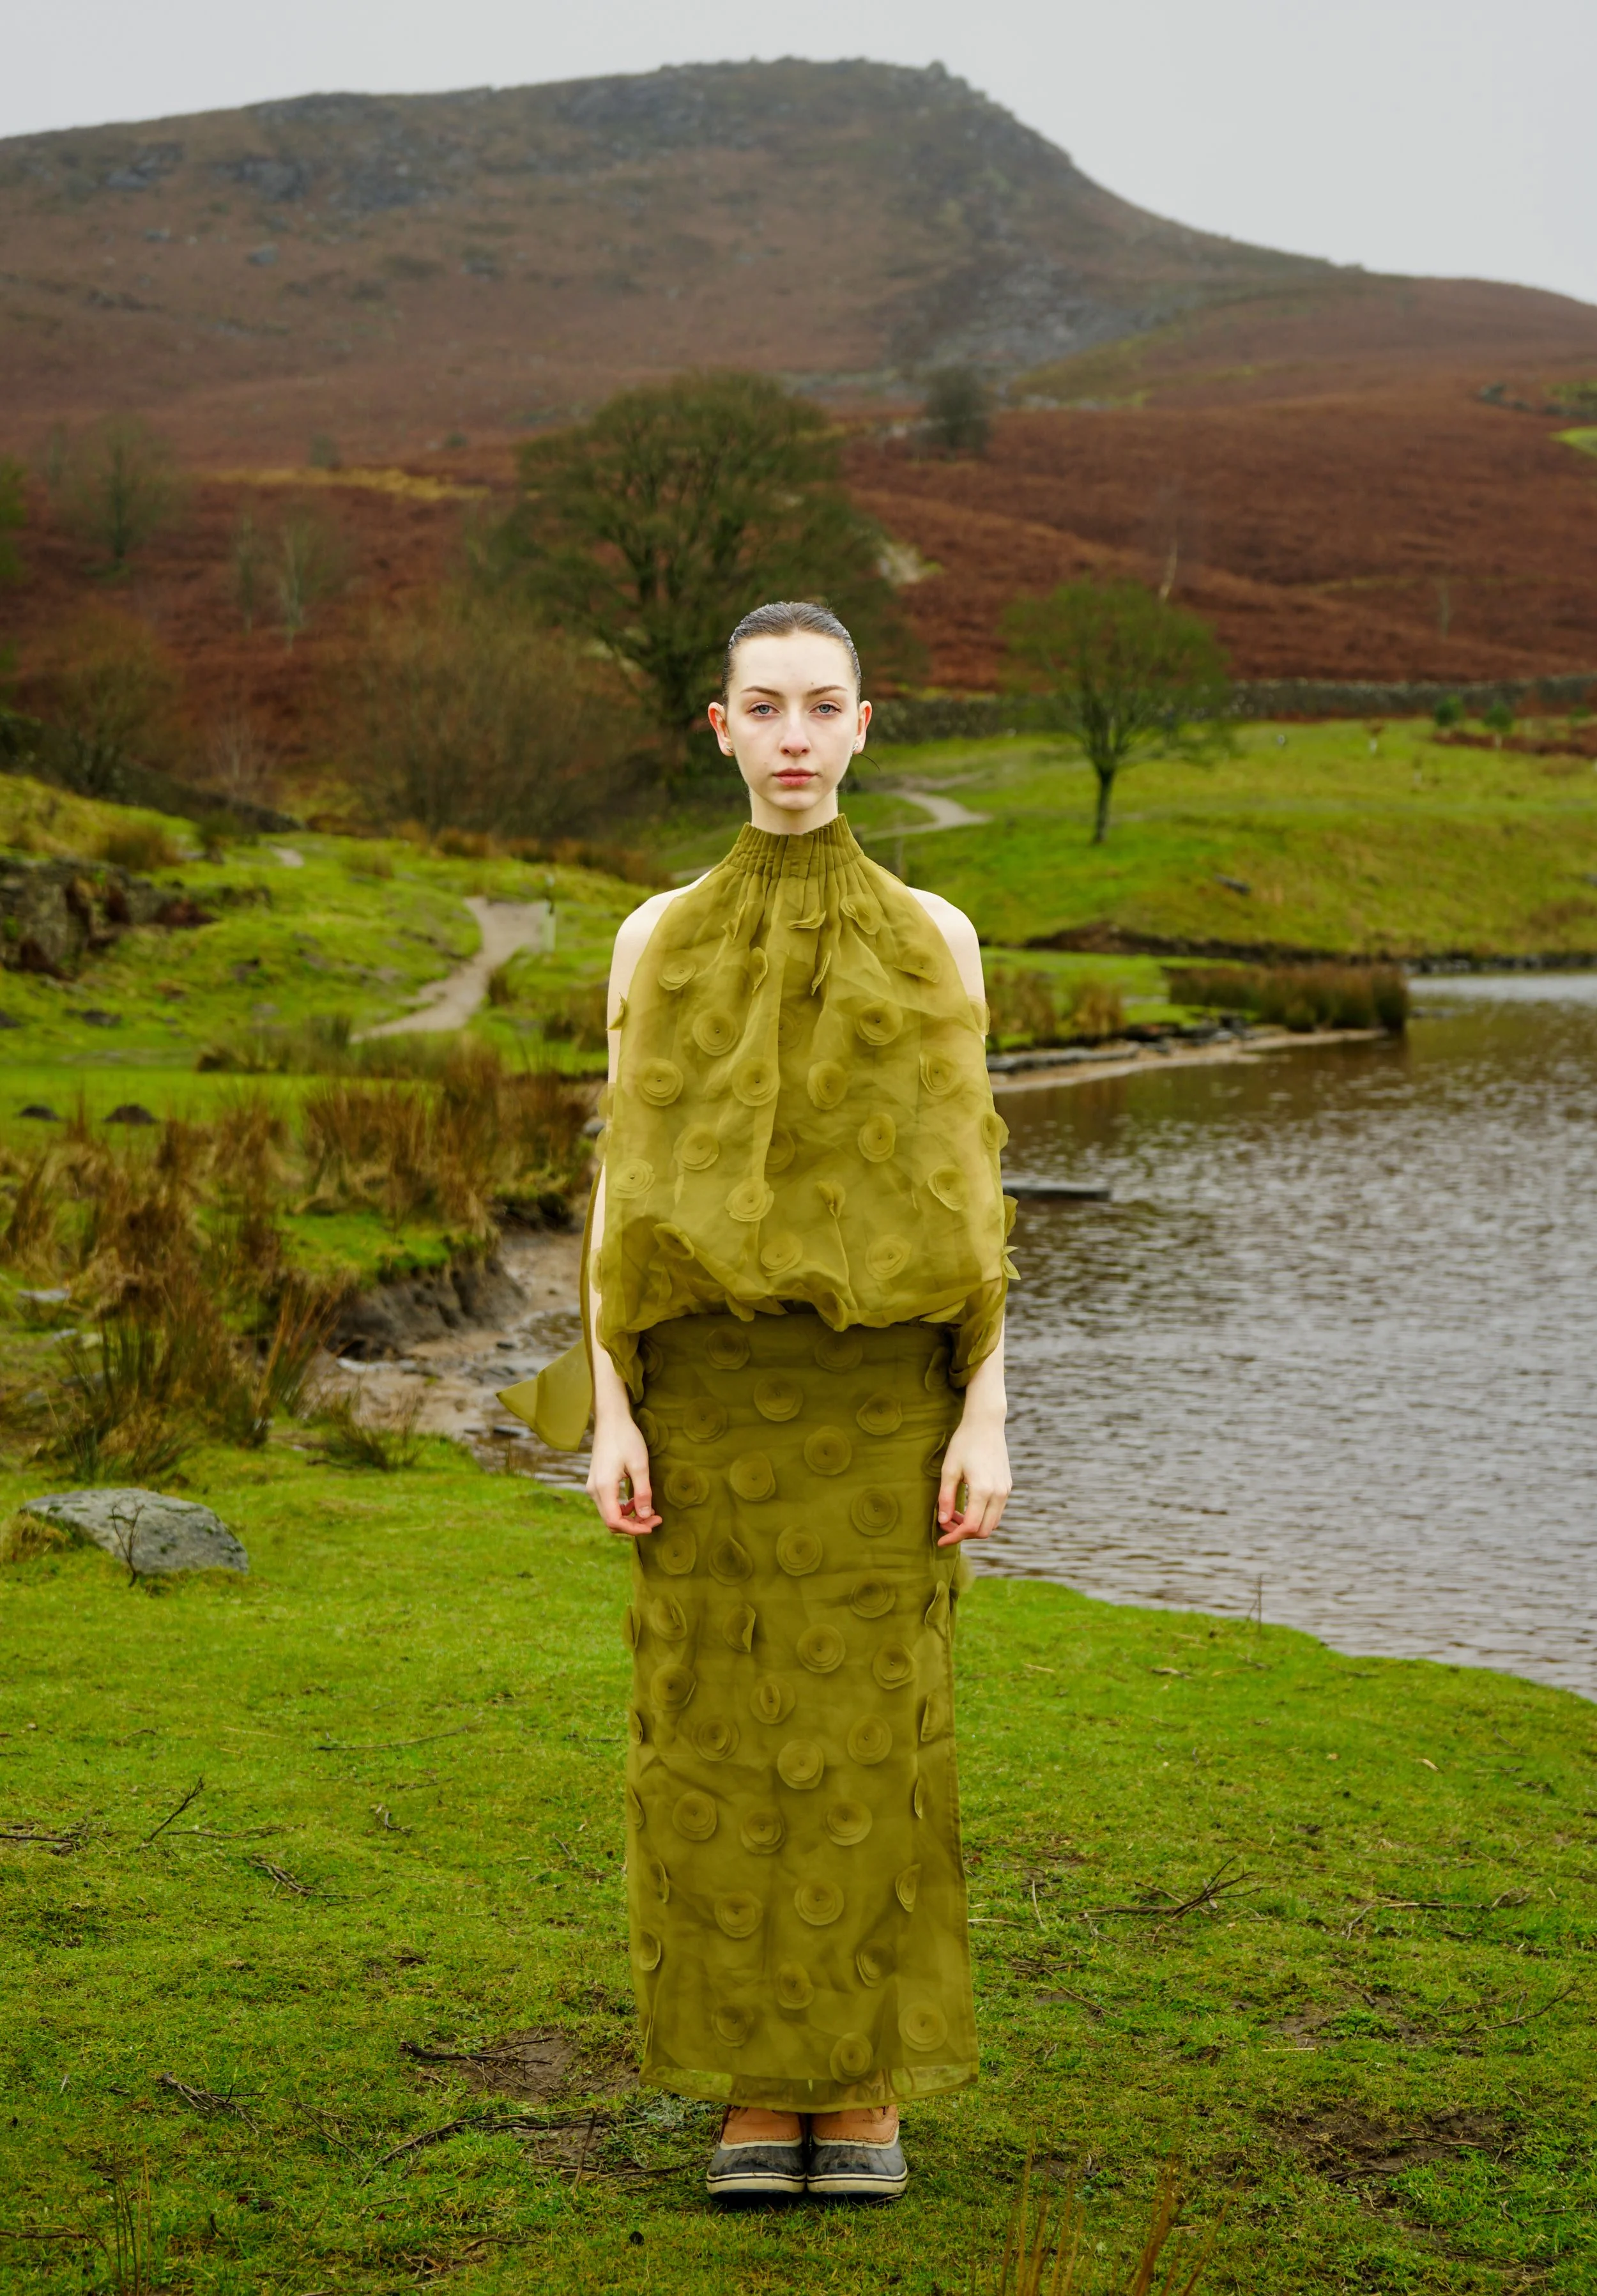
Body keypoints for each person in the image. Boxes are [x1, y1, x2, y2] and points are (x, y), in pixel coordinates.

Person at [501, 600, 1015, 2205]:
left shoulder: (937, 936)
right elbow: (621, 1190)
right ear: (718, 729)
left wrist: (985, 1414)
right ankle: (748, 2089)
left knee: (871, 1744)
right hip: (707, 1406)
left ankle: (855, 2089)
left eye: (822, 705)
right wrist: (612, 1409)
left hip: (880, 1406)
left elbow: (972, 1204)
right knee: (710, 1739)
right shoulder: (652, 936)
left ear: (865, 724)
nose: (796, 736)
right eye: (765, 707)